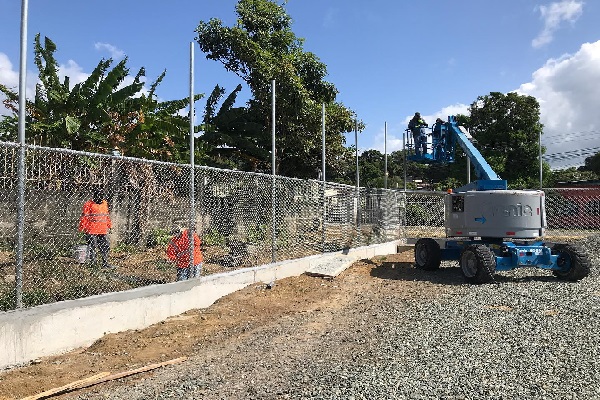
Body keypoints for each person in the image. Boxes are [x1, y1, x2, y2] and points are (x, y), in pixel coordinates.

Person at [78, 188, 113, 269]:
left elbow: (106, 216)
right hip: (91, 230)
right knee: (92, 246)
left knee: (105, 246)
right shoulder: (88, 204)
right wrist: (82, 228)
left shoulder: (105, 204)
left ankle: (105, 263)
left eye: (102, 197)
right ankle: (93, 264)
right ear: (94, 197)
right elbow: (84, 217)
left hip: (102, 230)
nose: (101, 199)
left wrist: (109, 226)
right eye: (99, 197)